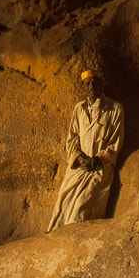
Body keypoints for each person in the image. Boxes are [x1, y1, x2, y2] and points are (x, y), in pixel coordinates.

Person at [47, 70, 123, 231]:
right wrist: (79, 158)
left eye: (95, 82)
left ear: (102, 84)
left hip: (98, 168)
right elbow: (72, 137)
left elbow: (115, 142)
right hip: (78, 167)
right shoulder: (79, 108)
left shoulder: (115, 108)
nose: (91, 86)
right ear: (83, 86)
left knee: (79, 212)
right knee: (61, 207)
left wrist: (97, 160)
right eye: (87, 83)